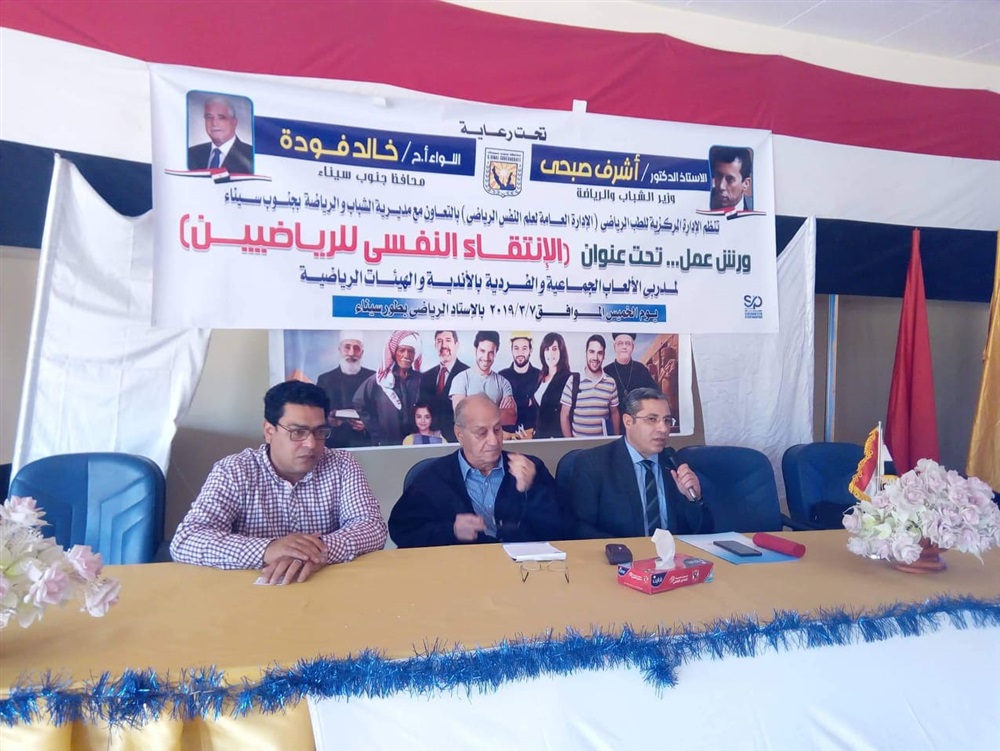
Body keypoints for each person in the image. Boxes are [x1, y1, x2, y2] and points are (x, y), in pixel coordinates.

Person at [169, 381, 387, 584]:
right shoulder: (234, 471)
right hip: (249, 590)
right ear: (269, 432)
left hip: (323, 585)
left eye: (319, 432)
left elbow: (372, 527)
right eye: (298, 432)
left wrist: (315, 551)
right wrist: (267, 549)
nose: (311, 444)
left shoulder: (342, 465)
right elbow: (187, 539)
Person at [388, 395, 569, 547]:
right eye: (481, 433)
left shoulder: (530, 468)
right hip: (460, 571)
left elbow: (564, 530)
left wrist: (533, 491)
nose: (494, 441)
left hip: (522, 571)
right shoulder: (433, 478)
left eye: (497, 430)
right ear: (459, 434)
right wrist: (451, 530)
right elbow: (401, 530)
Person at [567, 387, 710, 539]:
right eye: (652, 419)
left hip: (674, 552)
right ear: (628, 421)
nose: (663, 429)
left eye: (667, 420)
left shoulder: (674, 463)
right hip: (620, 552)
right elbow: (580, 528)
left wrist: (694, 500)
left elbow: (703, 531)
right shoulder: (594, 464)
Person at [353, 331, 422, 446]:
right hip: (387, 443)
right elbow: (358, 402)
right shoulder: (379, 380)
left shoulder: (420, 380)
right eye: (401, 350)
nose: (406, 355)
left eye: (410, 351)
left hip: (415, 442)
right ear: (394, 353)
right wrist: (375, 430)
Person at [315, 332, 374, 448]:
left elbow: (382, 413)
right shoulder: (325, 379)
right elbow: (316, 412)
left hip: (365, 442)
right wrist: (329, 420)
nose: (351, 353)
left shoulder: (373, 378)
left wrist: (368, 424)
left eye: (356, 348)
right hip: (334, 443)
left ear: (362, 353)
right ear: (339, 350)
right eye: (347, 347)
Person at [560, 334, 620, 438]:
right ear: (586, 353)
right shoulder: (573, 381)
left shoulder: (611, 382)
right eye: (592, 352)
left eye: (599, 353)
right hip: (578, 445)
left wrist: (616, 441)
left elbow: (615, 413)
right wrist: (570, 444)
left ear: (604, 355)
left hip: (602, 445)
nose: (595, 357)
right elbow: (564, 415)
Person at [449, 330, 515, 422]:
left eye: (491, 352)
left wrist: (474, 411)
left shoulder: (503, 383)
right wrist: (498, 412)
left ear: (496, 353)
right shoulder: (460, 379)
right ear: (475, 350)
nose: (486, 357)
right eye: (482, 351)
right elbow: (461, 417)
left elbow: (511, 418)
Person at [418, 330, 469, 443]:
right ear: (435, 346)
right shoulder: (426, 377)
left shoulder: (468, 374)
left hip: (458, 441)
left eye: (448, 340)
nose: (443, 345)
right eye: (439, 341)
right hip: (430, 442)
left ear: (456, 345)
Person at [187, 96, 254, 173]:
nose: (214, 123)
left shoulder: (250, 155)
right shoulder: (191, 153)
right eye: (209, 117)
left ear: (234, 122)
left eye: (221, 118)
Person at [533, 332, 573, 440]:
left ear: (561, 351)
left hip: (556, 438)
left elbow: (565, 415)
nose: (550, 354)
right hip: (539, 438)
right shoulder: (541, 377)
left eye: (554, 349)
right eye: (547, 349)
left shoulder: (567, 378)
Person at [498, 332, 540, 432]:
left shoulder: (540, 376)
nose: (520, 353)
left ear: (530, 350)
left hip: (532, 435)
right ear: (511, 350)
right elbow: (498, 409)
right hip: (506, 435)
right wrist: (527, 401)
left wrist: (512, 402)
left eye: (524, 348)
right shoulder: (502, 376)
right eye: (516, 348)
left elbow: (540, 408)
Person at [604, 333, 657, 409]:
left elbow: (654, 393)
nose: (624, 347)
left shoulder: (641, 369)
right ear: (615, 347)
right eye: (620, 343)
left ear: (632, 347)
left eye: (628, 344)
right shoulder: (606, 371)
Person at [709, 146, 753, 212]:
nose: (721, 186)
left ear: (745, 184)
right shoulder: (701, 201)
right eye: (718, 176)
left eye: (730, 180)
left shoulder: (757, 207)